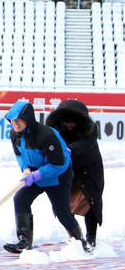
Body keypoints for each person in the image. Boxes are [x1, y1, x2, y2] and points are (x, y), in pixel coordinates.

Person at [3, 100, 91, 254]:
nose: (15, 124)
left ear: (28, 119)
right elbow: (19, 155)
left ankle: (79, 241)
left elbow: (59, 164)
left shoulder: (46, 135)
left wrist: (37, 175)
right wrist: (26, 169)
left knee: (62, 212)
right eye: (12, 121)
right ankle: (24, 241)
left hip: (58, 178)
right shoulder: (14, 135)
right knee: (20, 199)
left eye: (18, 120)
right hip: (35, 176)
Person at [46, 100, 104, 248]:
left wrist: (70, 149)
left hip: (89, 168)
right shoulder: (53, 129)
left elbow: (86, 143)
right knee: (62, 201)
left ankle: (91, 237)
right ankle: (74, 234)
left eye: (74, 121)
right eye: (67, 121)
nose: (70, 125)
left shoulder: (90, 128)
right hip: (65, 168)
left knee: (90, 201)